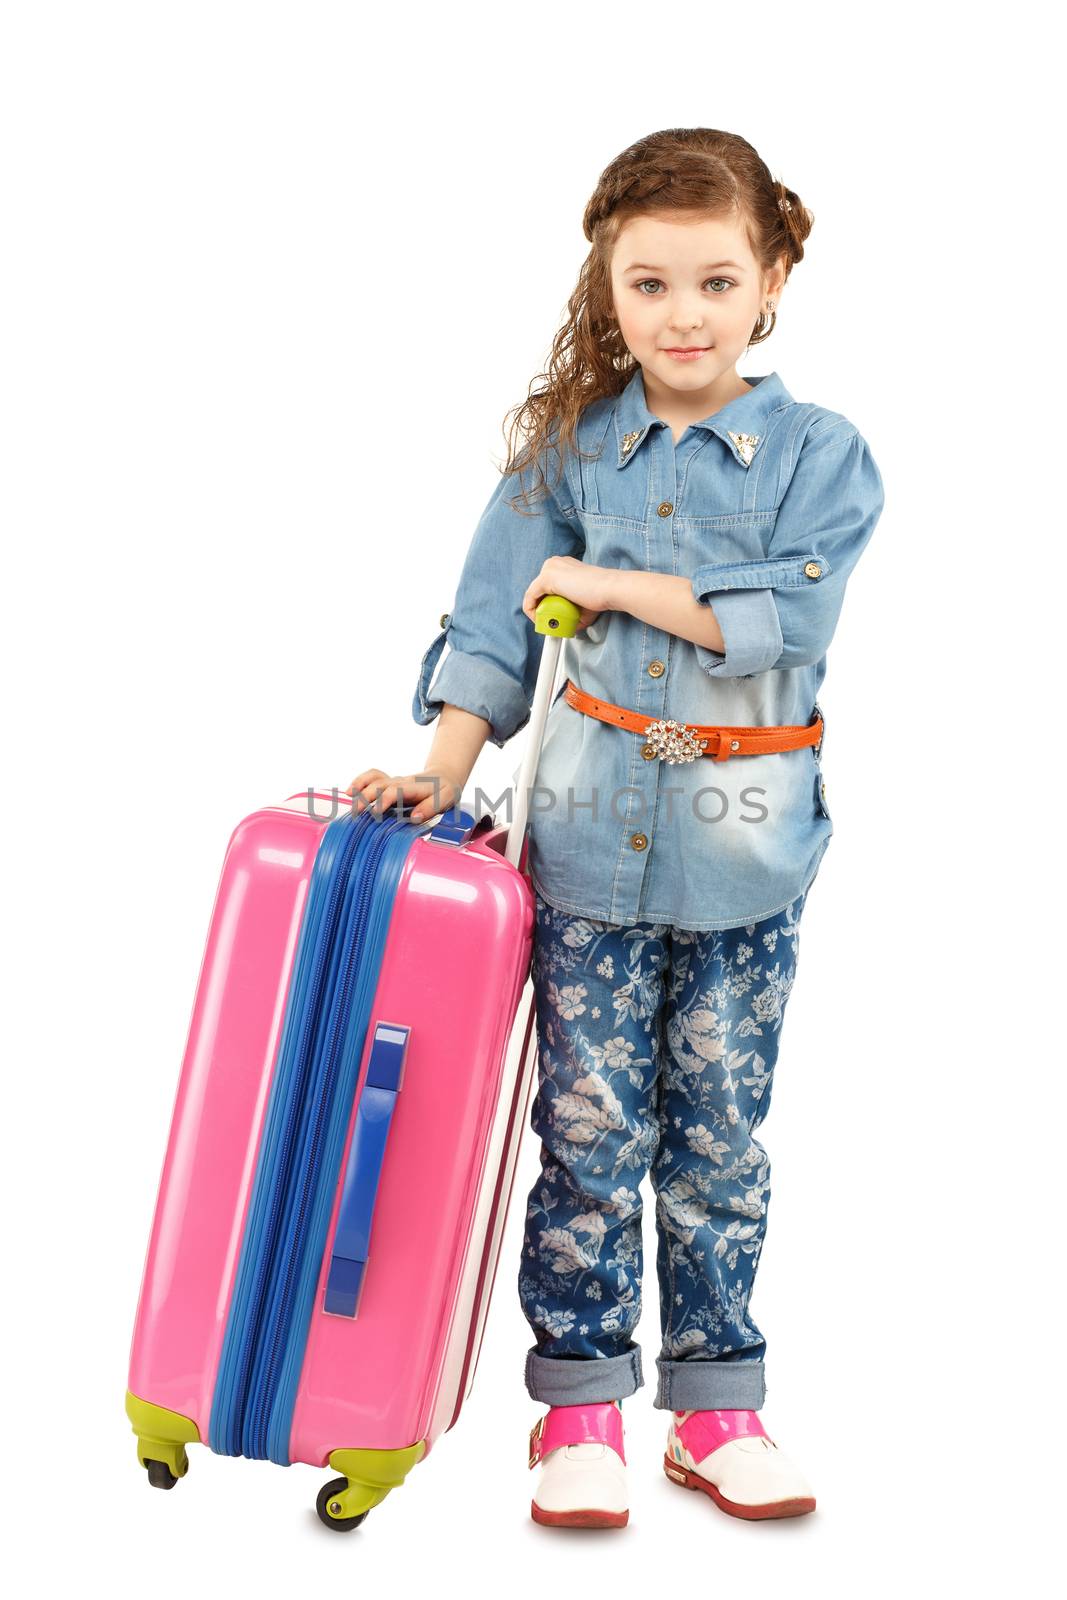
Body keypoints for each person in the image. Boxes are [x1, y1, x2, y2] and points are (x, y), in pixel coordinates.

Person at [346, 126, 886, 1529]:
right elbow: (491, 628)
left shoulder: (822, 457)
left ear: (771, 278)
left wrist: (608, 587)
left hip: (747, 860)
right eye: (648, 285)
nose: (682, 315)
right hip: (581, 851)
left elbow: (778, 622)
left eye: (715, 280)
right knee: (590, 1133)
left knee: (720, 1136)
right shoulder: (569, 452)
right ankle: (577, 1410)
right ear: (608, 287)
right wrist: (442, 766)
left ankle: (717, 1409)